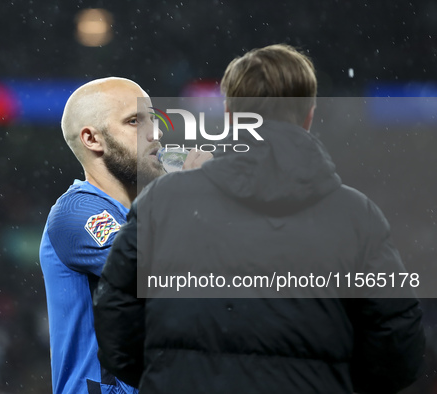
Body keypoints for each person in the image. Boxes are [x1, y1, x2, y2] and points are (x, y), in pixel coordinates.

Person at [92, 45, 425, 393]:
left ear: (230, 114)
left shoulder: (163, 201)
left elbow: (115, 323)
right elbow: (399, 347)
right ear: (309, 116)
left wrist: (172, 372)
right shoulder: (357, 216)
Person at [39, 77, 211, 394]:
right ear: (92, 139)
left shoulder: (150, 212)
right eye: (134, 121)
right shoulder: (77, 213)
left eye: (154, 120)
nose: (155, 133)